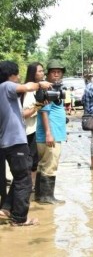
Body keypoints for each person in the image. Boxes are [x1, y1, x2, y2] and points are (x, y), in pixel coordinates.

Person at [0, 60, 52, 226]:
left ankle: (6, 208)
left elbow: (21, 113)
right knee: (25, 180)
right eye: (17, 74)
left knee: (19, 176)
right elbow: (26, 87)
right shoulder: (6, 86)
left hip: (8, 141)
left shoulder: (3, 91)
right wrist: (40, 84)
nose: (19, 77)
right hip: (15, 141)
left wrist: (37, 104)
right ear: (11, 74)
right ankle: (19, 219)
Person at [35, 59, 68, 205]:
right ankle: (47, 197)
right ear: (47, 74)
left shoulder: (54, 88)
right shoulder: (46, 89)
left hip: (51, 134)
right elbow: (44, 111)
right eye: (53, 72)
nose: (56, 74)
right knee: (50, 166)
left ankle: (39, 196)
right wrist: (49, 133)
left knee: (42, 165)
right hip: (49, 135)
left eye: (59, 72)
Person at [21, 62, 45, 191]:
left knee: (36, 159)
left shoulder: (40, 89)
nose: (42, 73)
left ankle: (33, 185)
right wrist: (39, 105)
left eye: (43, 71)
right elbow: (24, 114)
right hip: (29, 131)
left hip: (37, 129)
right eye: (39, 71)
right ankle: (28, 185)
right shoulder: (27, 91)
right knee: (30, 160)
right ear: (32, 73)